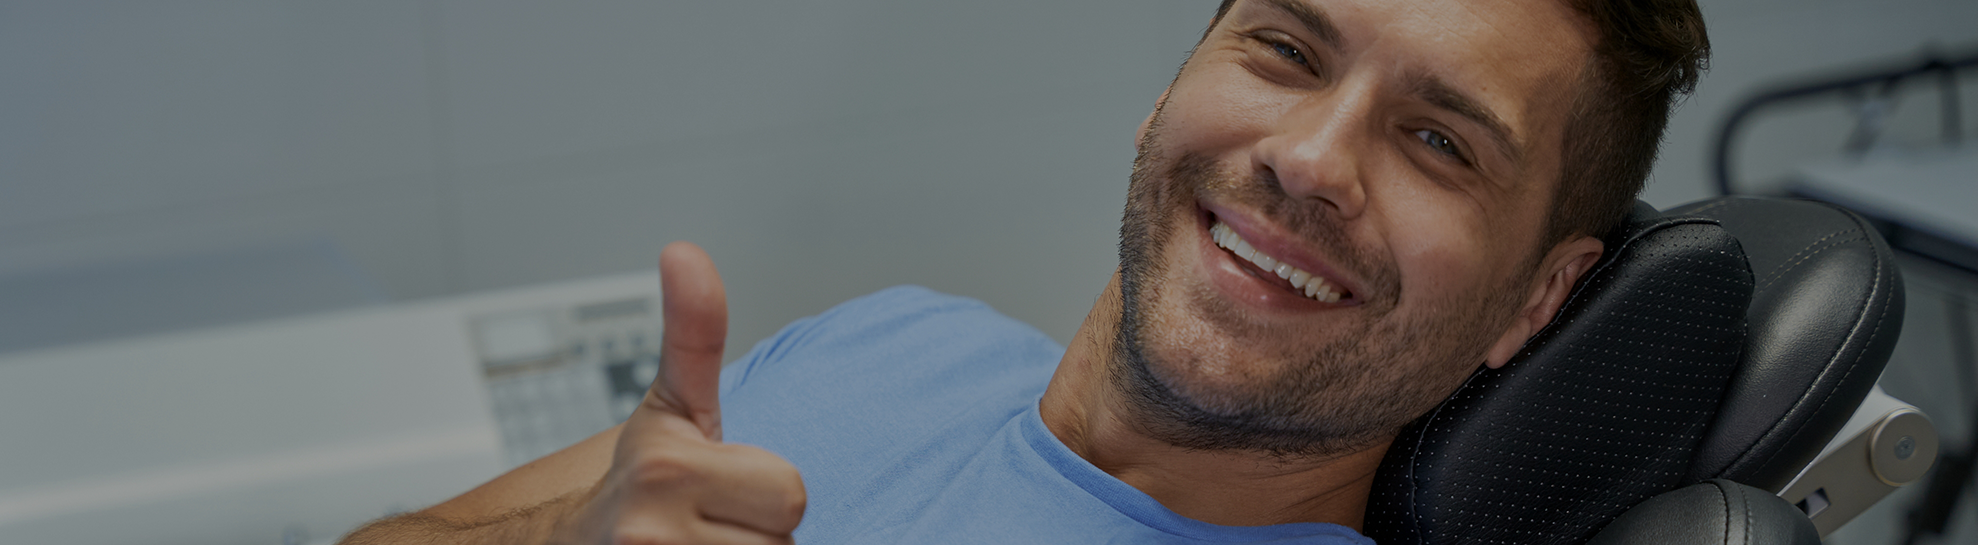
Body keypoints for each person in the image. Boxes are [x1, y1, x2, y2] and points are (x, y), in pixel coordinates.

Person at [342, 0, 1709, 543]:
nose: (1309, 159)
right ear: (1168, 98)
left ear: (1534, 301)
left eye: (1437, 142)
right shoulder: (892, 341)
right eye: (1286, 52)